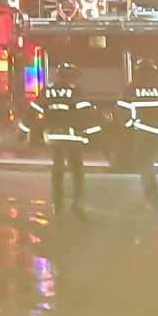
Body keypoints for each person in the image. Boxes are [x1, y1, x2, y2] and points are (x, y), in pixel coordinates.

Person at [117, 58, 158, 209]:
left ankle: (153, 200)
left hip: (143, 136)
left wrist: (129, 126)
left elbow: (122, 110)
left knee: (147, 169)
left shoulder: (131, 89)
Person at [40, 62, 100, 215]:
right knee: (77, 170)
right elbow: (85, 113)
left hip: (54, 136)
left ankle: (58, 204)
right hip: (73, 136)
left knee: (58, 169)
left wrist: (23, 131)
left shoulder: (48, 91)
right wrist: (93, 132)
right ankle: (77, 201)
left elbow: (34, 109)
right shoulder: (76, 91)